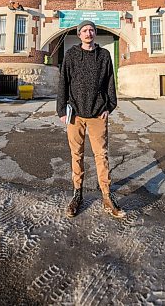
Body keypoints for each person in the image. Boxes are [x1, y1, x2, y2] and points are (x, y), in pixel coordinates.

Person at [57, 20, 125, 219]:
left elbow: (110, 82)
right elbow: (63, 83)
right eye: (85, 30)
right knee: (76, 155)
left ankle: (106, 196)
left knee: (101, 155)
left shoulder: (104, 55)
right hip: (75, 114)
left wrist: (109, 106)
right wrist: (62, 110)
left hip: (97, 113)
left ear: (95, 33)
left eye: (91, 30)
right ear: (79, 35)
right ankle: (77, 194)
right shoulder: (70, 55)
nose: (88, 33)